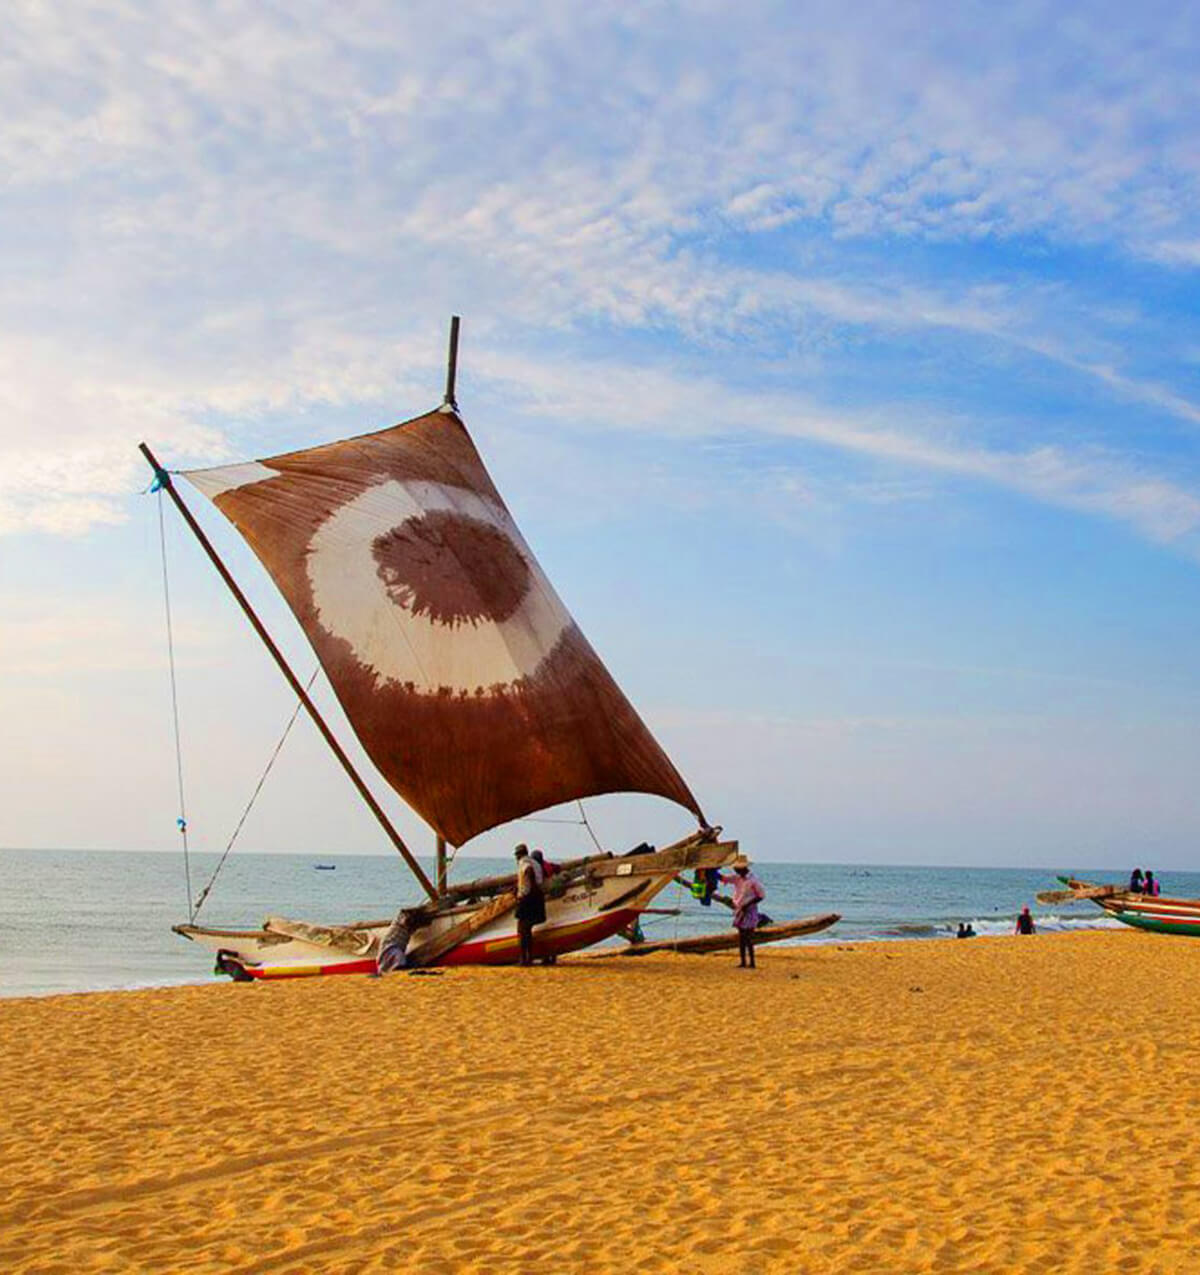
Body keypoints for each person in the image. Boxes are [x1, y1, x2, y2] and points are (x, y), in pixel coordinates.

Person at [719, 855, 766, 969]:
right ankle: (743, 962)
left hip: (749, 910)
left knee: (748, 938)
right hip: (740, 910)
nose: (735, 870)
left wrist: (748, 904)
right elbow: (724, 879)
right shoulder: (737, 878)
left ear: (744, 868)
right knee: (741, 938)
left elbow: (761, 896)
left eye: (737, 868)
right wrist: (711, 871)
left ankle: (752, 963)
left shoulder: (753, 881)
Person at [514, 844, 545, 967]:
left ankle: (523, 959)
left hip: (528, 897)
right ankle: (529, 957)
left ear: (519, 855)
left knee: (521, 929)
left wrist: (527, 890)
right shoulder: (536, 863)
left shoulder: (524, 863)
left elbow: (528, 872)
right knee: (528, 930)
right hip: (537, 897)